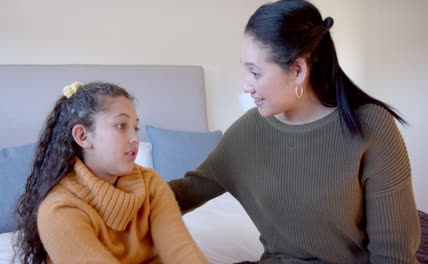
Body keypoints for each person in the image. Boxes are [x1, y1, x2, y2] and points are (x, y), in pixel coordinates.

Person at [169, 0, 421, 263]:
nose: (246, 86)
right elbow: (187, 191)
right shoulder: (248, 131)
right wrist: (126, 192)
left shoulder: (371, 125)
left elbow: (393, 254)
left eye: (255, 73)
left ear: (298, 70)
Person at [14, 81, 207, 264]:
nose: (134, 139)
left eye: (135, 128)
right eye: (121, 126)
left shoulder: (151, 184)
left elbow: (182, 253)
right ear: (83, 136)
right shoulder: (59, 209)